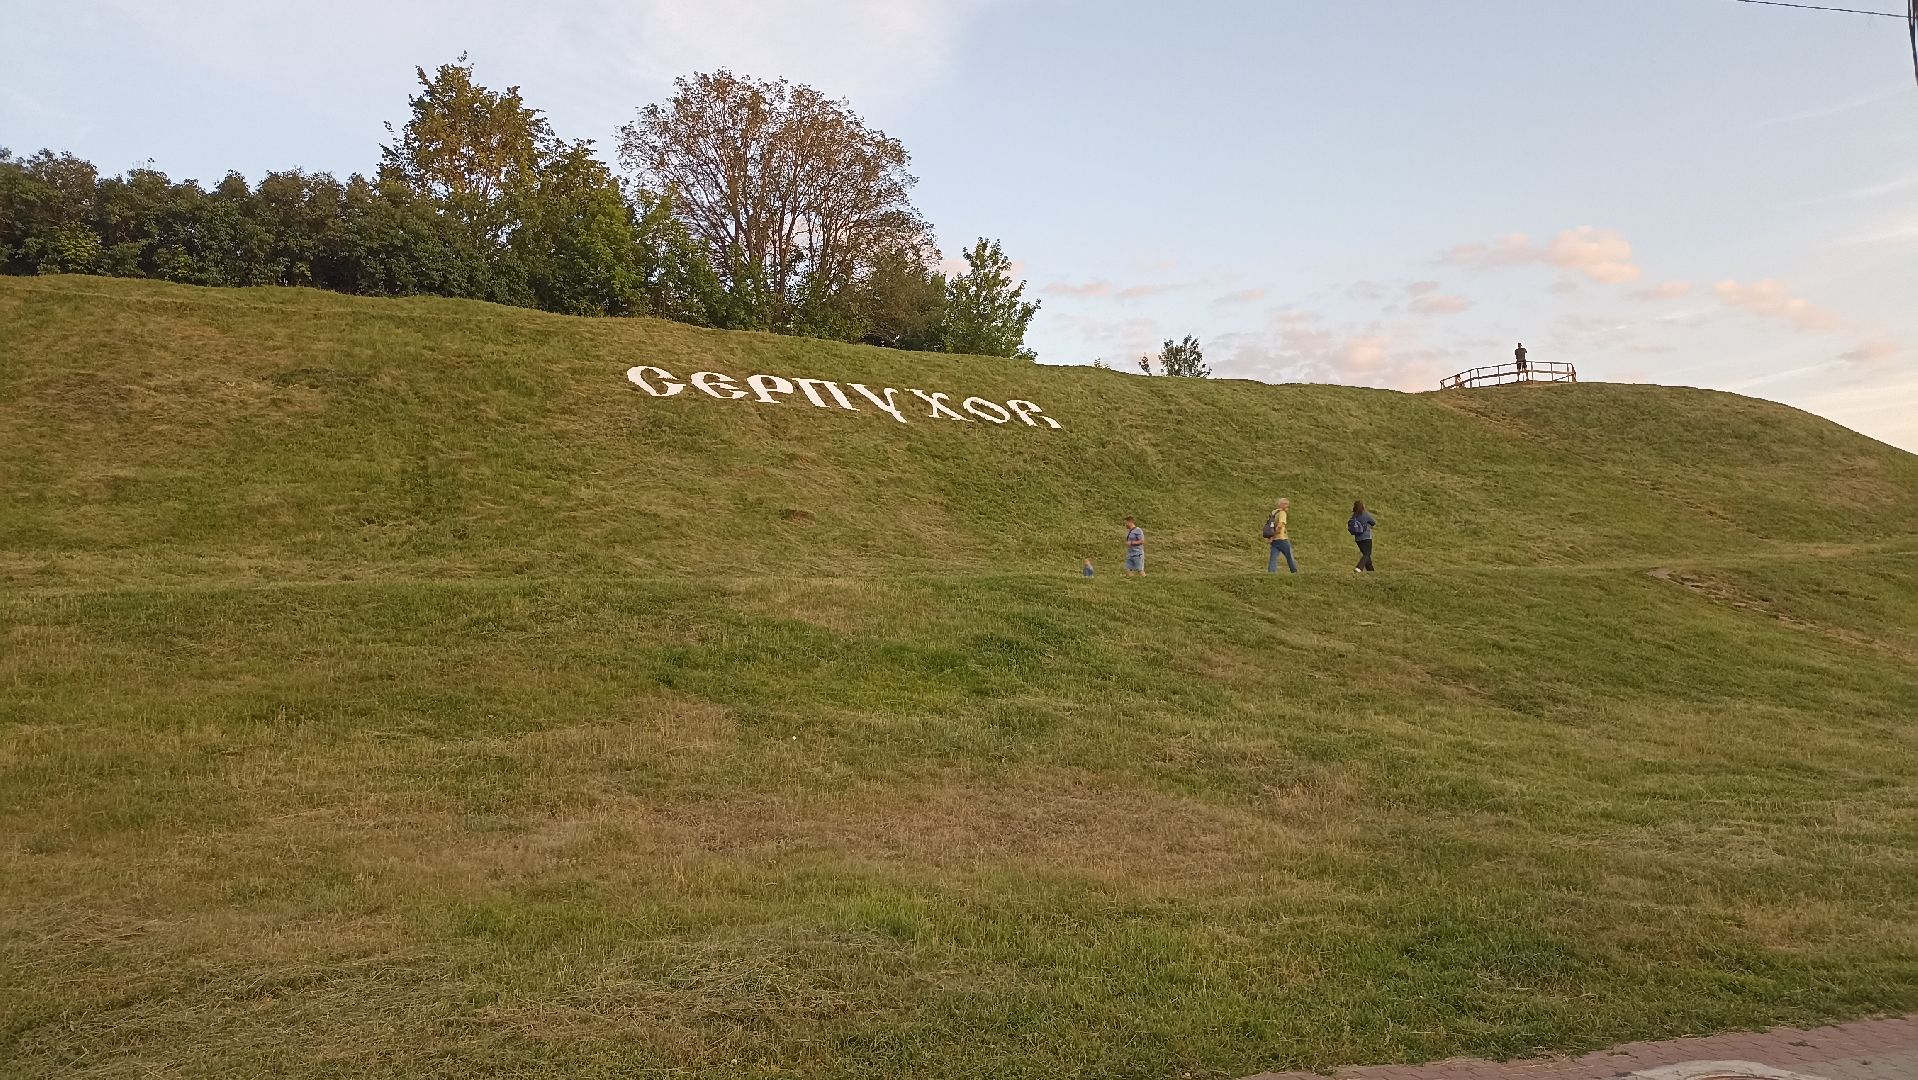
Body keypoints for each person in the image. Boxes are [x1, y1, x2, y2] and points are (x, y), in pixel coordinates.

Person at [1264, 498, 1297, 574]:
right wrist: (1274, 535)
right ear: (1280, 504)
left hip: (1274, 540)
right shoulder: (1282, 513)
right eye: (1285, 504)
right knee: (1289, 556)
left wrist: (1271, 537)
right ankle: (1294, 572)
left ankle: (1271, 573)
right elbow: (1279, 526)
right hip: (1282, 538)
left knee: (1273, 558)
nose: (1287, 505)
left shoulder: (1274, 512)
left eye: (1287, 504)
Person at [1348, 500, 1377, 572]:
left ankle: (1371, 571)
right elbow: (1373, 522)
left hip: (1358, 539)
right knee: (1367, 554)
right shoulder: (1365, 514)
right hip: (1366, 537)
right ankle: (1359, 567)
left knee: (1366, 555)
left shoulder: (1354, 516)